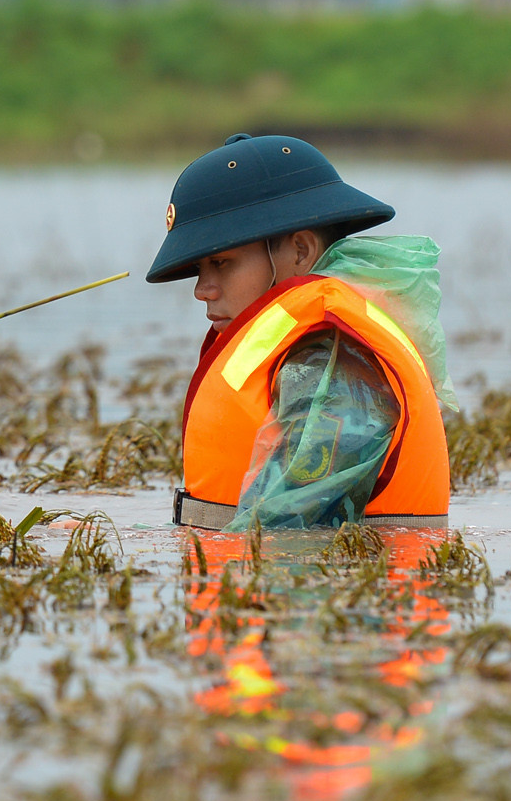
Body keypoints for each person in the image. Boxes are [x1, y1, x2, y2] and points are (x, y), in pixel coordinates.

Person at [149, 134, 453, 531]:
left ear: (300, 251)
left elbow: (291, 531)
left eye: (221, 262)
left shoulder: (333, 357)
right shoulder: (302, 348)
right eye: (200, 269)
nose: (201, 289)